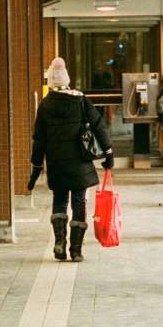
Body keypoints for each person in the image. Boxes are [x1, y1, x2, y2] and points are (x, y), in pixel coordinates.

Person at [28, 57, 113, 262]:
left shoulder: (45, 105)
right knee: (79, 201)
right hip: (79, 163)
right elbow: (98, 126)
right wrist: (108, 154)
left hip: (57, 164)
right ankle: (76, 250)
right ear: (67, 79)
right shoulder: (81, 100)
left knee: (59, 200)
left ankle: (59, 244)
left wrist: (36, 167)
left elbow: (39, 140)